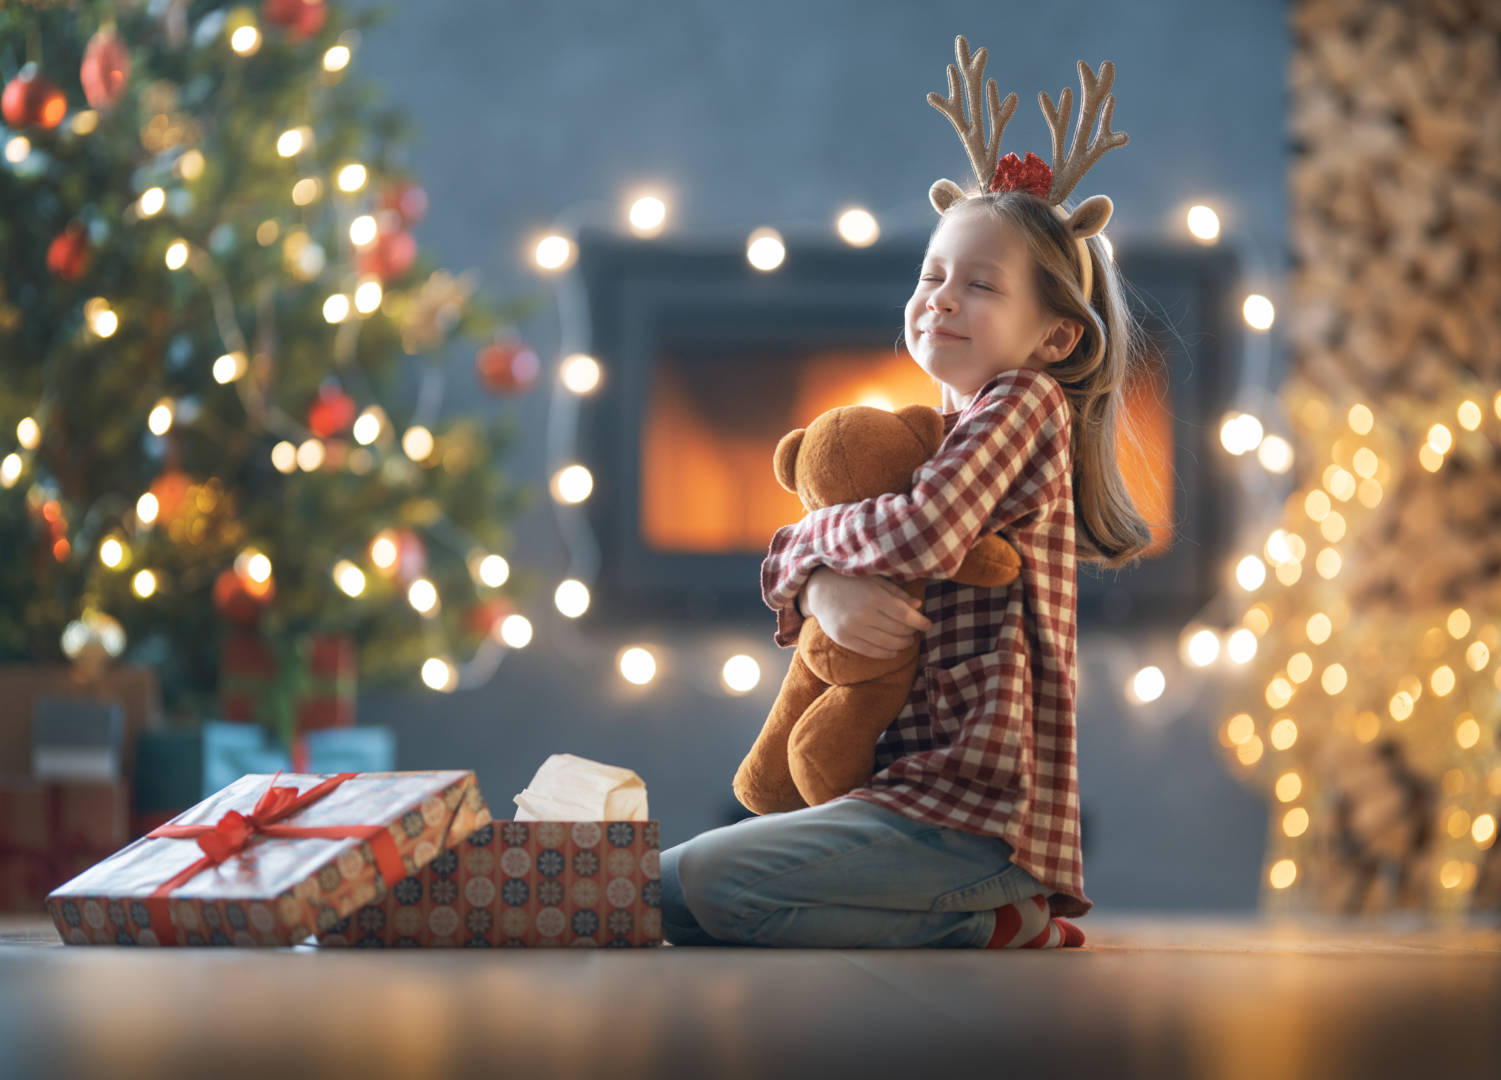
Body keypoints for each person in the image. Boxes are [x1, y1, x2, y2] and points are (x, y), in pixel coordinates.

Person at [660, 36, 1155, 949]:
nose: (941, 300)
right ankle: (988, 921)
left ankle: (993, 918)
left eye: (979, 286)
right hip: (906, 795)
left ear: (1053, 337)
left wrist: (807, 554)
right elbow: (876, 538)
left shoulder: (1022, 403)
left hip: (975, 817)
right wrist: (818, 583)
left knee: (700, 884)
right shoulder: (940, 424)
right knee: (676, 887)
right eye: (931, 277)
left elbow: (923, 534)